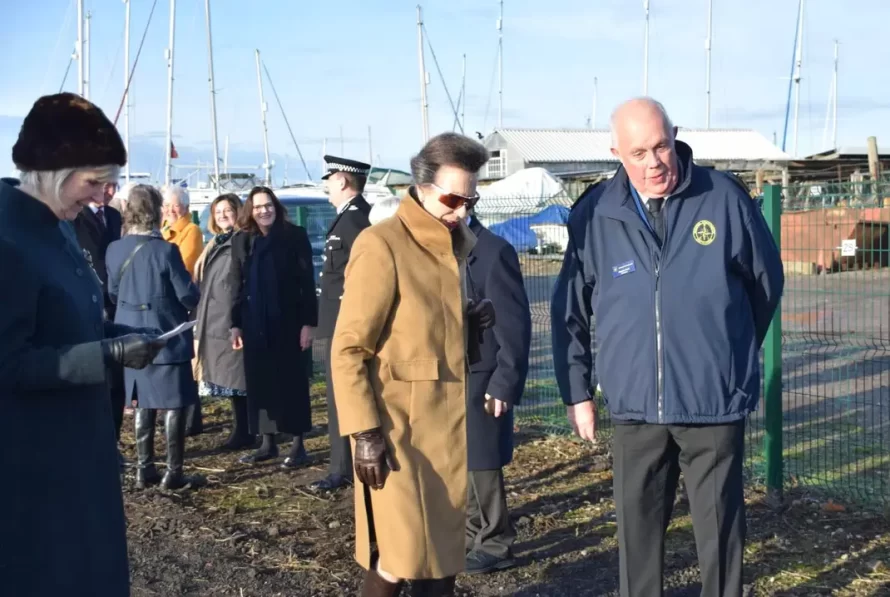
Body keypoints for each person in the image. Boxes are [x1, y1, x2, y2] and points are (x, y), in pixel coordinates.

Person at [551, 97, 784, 597]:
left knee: (720, 535)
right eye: (638, 152)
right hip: (635, 405)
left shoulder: (722, 197)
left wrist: (728, 354)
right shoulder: (595, 214)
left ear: (674, 135)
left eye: (661, 146)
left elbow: (766, 285)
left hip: (712, 402)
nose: (654, 162)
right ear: (616, 151)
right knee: (638, 536)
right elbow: (569, 308)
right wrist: (577, 392)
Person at [0, 92, 166, 596]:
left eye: (108, 182)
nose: (103, 195)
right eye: (93, 181)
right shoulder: (8, 240)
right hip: (34, 463)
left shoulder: (63, 229)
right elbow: (12, 364)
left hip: (82, 447)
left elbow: (72, 322)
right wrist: (109, 356)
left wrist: (122, 336)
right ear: (51, 170)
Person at [331, 132, 495, 597]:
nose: (463, 210)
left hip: (445, 430)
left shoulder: (454, 243)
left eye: (471, 199)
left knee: (440, 560)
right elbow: (348, 348)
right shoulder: (381, 245)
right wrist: (364, 434)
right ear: (422, 188)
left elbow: (420, 329)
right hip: (398, 433)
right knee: (397, 559)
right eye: (453, 198)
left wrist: (470, 321)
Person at [107, 184, 202, 490]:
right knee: (173, 404)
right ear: (156, 211)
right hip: (166, 335)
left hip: (127, 335)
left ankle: (143, 469)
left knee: (142, 403)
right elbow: (187, 295)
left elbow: (112, 292)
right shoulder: (166, 250)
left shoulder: (114, 248)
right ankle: (173, 473)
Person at [229, 186, 318, 468]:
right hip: (254, 323)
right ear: (250, 212)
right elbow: (236, 284)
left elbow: (306, 283)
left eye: (268, 205)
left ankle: (297, 444)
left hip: (288, 323)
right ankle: (267, 444)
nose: (264, 211)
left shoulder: (294, 236)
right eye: (258, 207)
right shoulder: (242, 241)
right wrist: (235, 325)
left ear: (276, 207)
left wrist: (308, 324)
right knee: (260, 383)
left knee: (291, 383)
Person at [464, 211, 531, 575]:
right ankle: (472, 533)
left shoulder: (493, 251)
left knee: (484, 462)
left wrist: (504, 381)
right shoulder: (442, 248)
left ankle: (495, 542)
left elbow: (514, 325)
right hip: (453, 375)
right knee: (465, 462)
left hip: (484, 375)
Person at [311, 155, 372, 492]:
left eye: (330, 180)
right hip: (336, 322)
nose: (327, 187)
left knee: (342, 396)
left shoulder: (356, 221)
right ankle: (341, 463)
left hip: (344, 324)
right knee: (337, 395)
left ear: (342, 181)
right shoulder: (348, 218)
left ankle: (341, 468)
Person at [193, 193, 251, 450]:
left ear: (238, 211)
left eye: (228, 210)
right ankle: (243, 429)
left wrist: (234, 317)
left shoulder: (242, 240)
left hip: (230, 316)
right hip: (214, 318)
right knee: (231, 380)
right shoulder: (216, 242)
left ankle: (246, 431)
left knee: (238, 379)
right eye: (218, 212)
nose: (223, 215)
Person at [73, 178, 125, 443]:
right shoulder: (74, 217)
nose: (111, 192)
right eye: (105, 185)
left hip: (115, 301)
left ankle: (113, 439)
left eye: (114, 185)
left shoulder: (115, 216)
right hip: (89, 301)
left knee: (116, 379)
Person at [161, 184, 204, 435]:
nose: (171, 210)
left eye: (175, 205)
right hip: (168, 304)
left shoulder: (191, 230)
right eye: (167, 206)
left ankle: (191, 418)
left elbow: (185, 265)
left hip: (182, 304)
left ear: (185, 207)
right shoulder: (164, 230)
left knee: (186, 361)